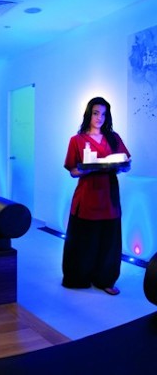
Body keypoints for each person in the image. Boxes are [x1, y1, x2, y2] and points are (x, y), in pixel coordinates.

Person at [62, 96, 131, 295]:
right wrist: (88, 169)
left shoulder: (114, 138)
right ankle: (79, 277)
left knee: (109, 240)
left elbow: (127, 163)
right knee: (85, 240)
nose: (99, 117)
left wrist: (122, 166)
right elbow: (73, 171)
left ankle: (106, 279)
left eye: (103, 114)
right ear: (88, 114)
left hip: (109, 194)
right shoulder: (76, 140)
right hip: (87, 195)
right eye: (95, 113)